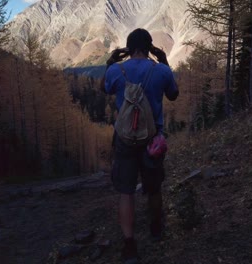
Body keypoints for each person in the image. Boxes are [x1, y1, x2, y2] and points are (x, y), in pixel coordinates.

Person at [100, 28, 179, 264]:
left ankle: (129, 244)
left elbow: (104, 89)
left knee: (126, 191)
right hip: (152, 140)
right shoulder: (161, 70)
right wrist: (164, 62)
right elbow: (174, 95)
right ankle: (156, 227)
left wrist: (111, 62)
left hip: (124, 139)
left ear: (128, 47)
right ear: (149, 47)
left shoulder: (116, 70)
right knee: (154, 187)